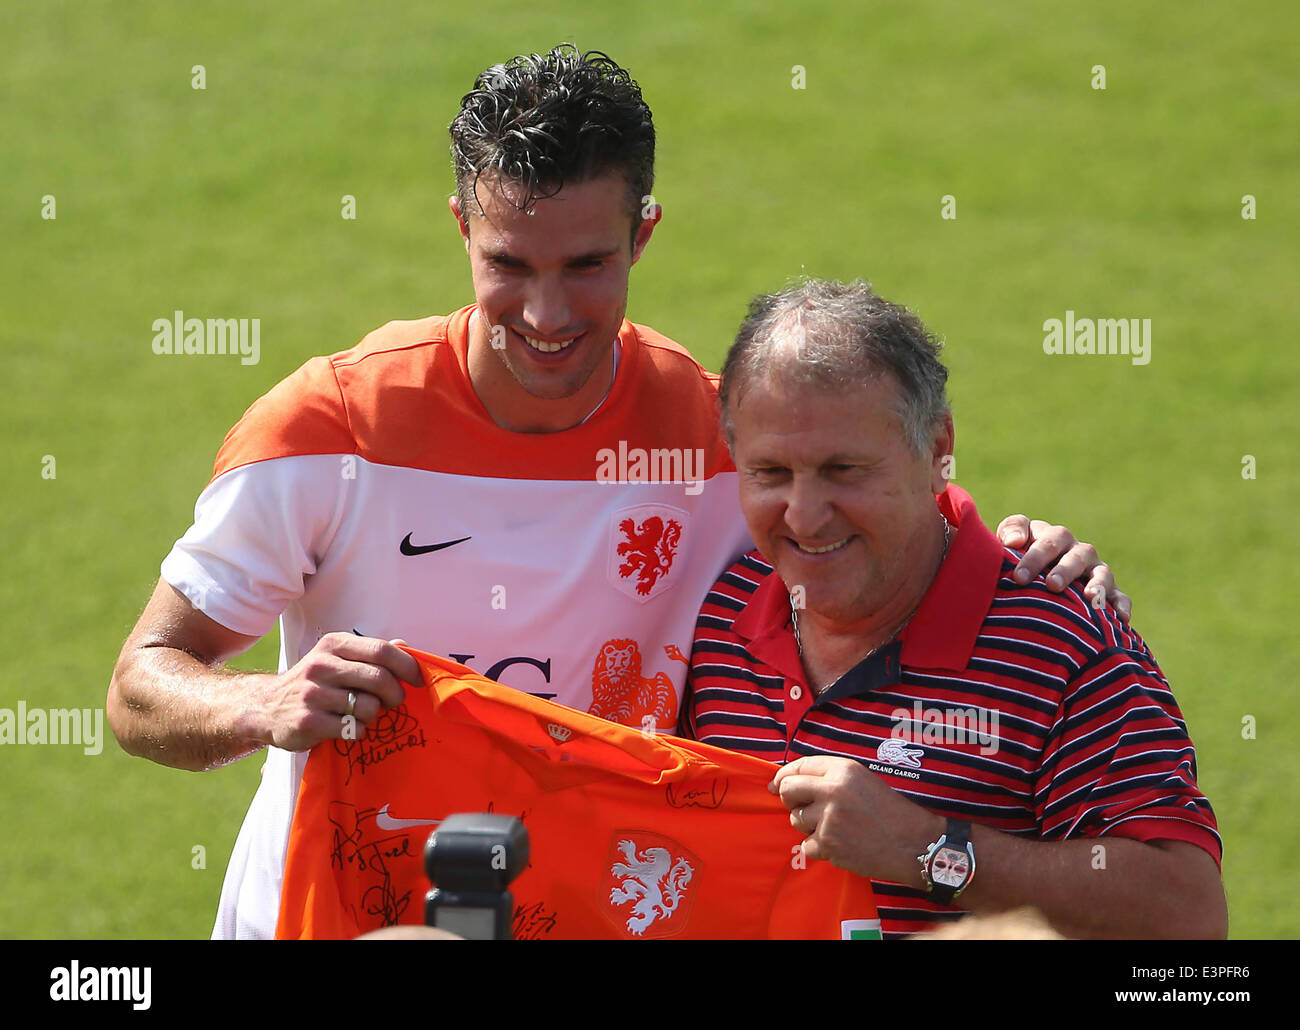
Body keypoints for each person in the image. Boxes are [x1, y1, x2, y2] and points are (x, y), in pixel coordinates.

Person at [107, 46, 1125, 940]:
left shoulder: (716, 438)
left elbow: (891, 529)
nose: (546, 314)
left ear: (644, 232)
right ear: (461, 227)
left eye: (587, 265)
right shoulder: (327, 430)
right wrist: (262, 702)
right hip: (326, 915)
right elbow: (142, 683)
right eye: (509, 264)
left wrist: (1031, 553)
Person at [682, 278, 1226, 939]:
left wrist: (931, 850)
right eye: (771, 474)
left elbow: (1188, 916)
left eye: (844, 470)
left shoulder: (1063, 645)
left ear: (938, 447)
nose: (803, 515)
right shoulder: (717, 613)